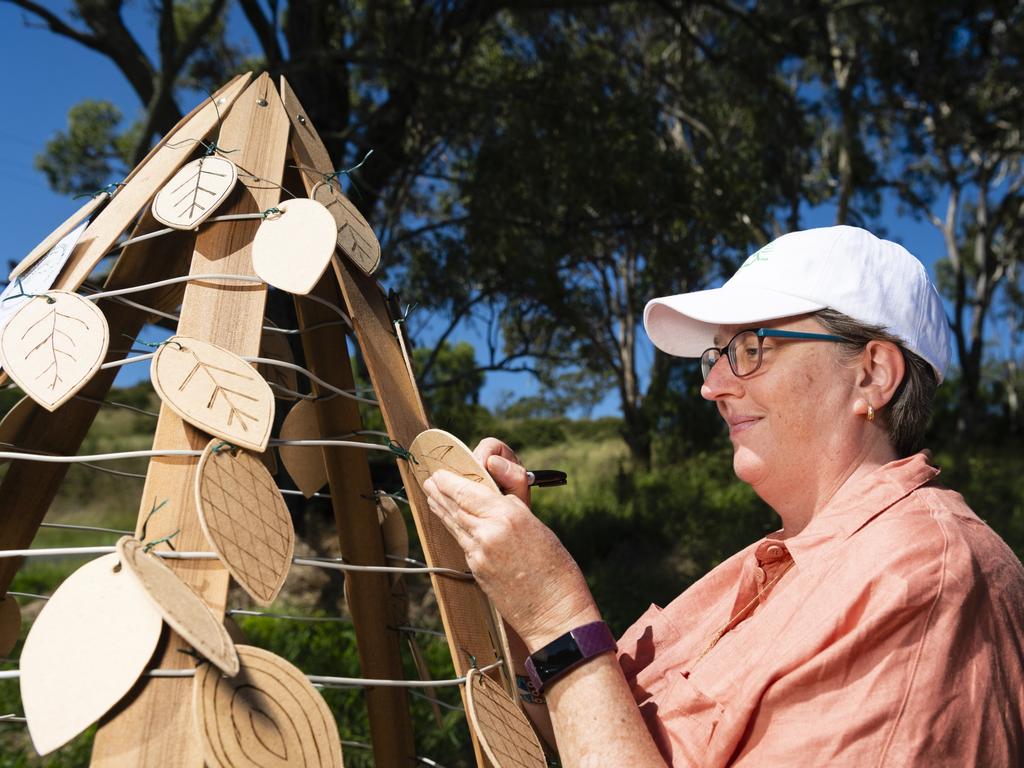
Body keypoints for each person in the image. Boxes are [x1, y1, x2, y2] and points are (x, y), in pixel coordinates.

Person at [421, 226, 1024, 767]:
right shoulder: (768, 563)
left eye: (750, 348)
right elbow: (579, 734)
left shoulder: (921, 577)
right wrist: (518, 588)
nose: (711, 385)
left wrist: (557, 614)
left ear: (871, 374)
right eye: (717, 355)